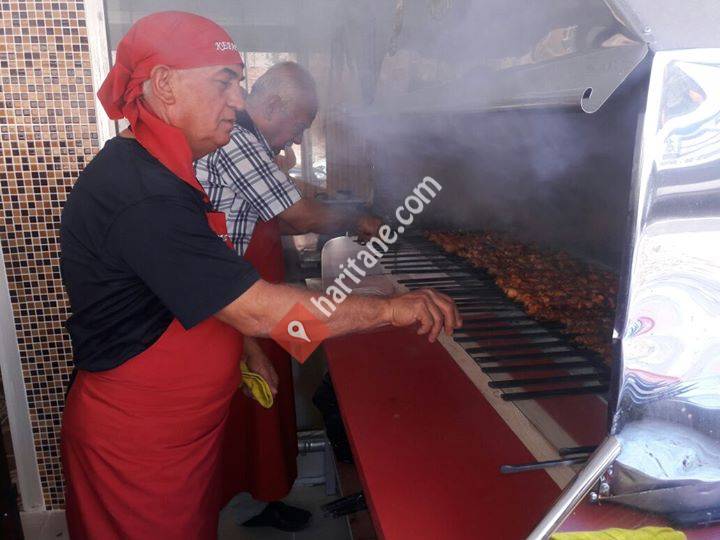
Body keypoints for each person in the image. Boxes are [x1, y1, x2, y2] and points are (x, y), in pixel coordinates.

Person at [59, 11, 460, 540]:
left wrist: (244, 346)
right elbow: (254, 307)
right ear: (165, 84)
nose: (238, 100)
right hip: (137, 443)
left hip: (173, 439)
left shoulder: (164, 175)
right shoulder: (142, 194)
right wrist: (391, 308)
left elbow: (196, 288)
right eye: (224, 82)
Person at [194, 61, 381, 531]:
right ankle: (227, 504)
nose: (297, 140)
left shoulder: (252, 143)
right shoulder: (237, 138)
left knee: (266, 401)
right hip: (234, 299)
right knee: (250, 401)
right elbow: (299, 216)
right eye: (298, 126)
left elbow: (279, 203)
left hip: (252, 293)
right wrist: (356, 219)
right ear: (274, 104)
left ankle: (262, 496)